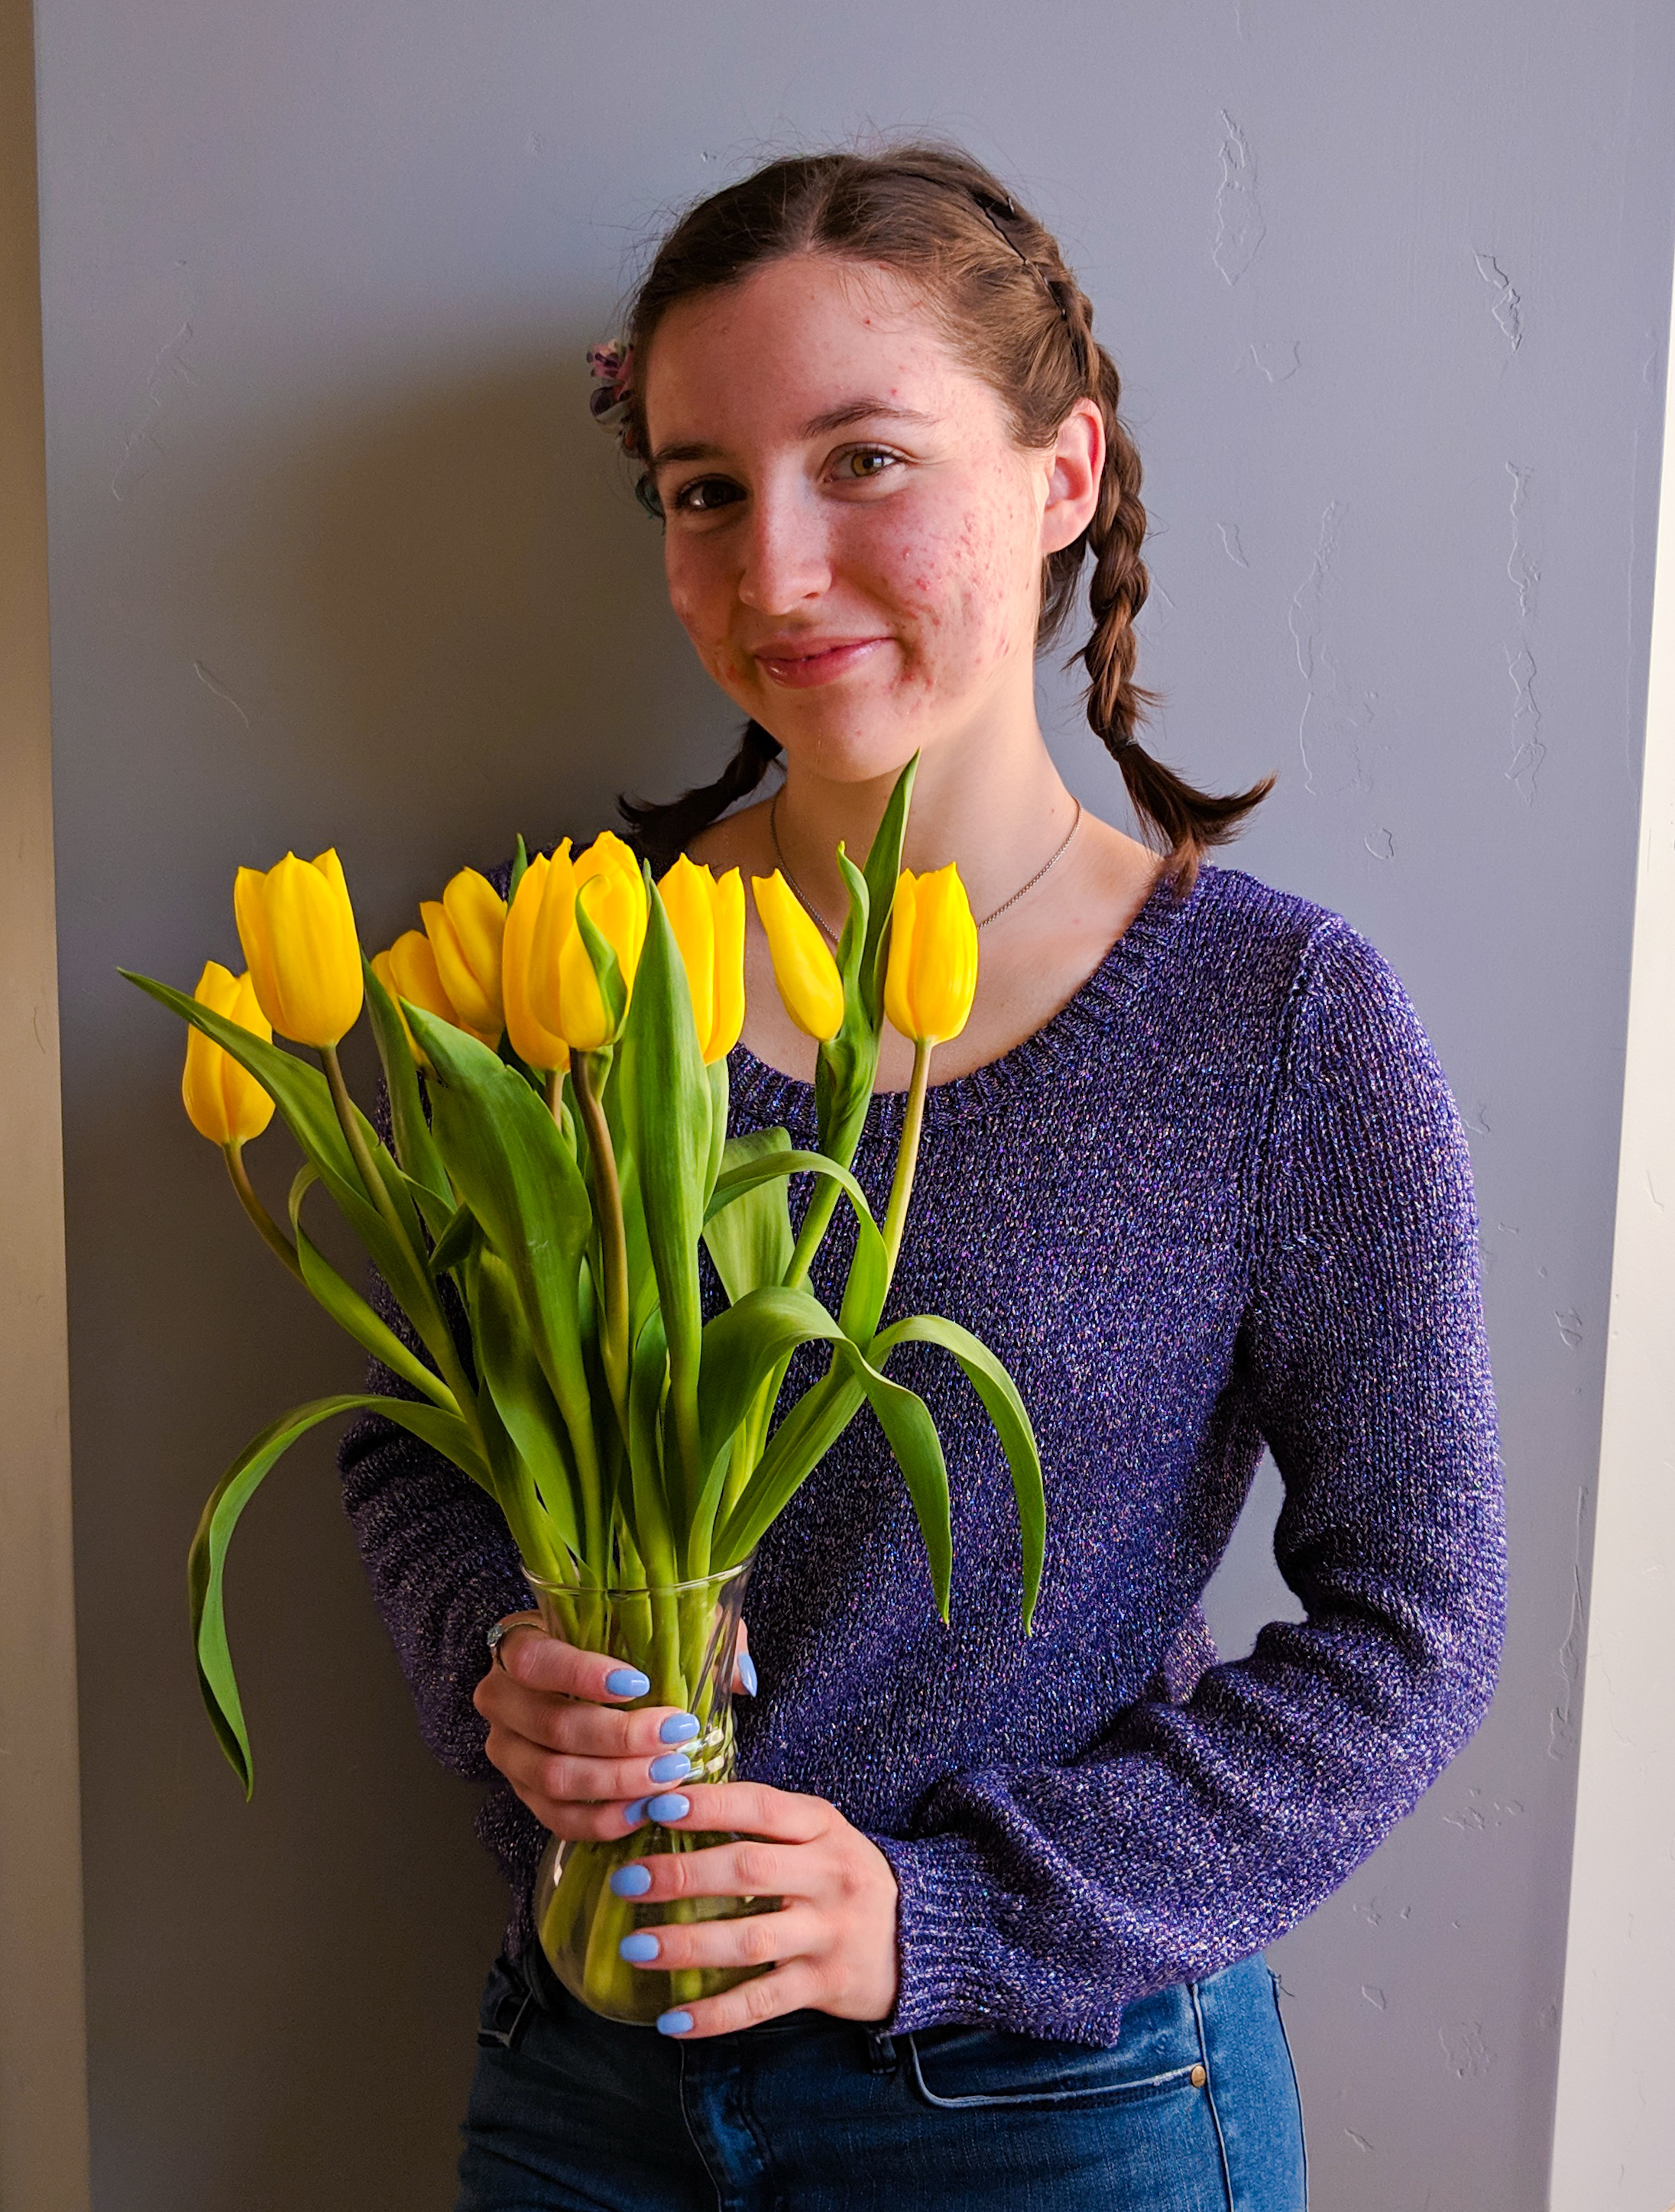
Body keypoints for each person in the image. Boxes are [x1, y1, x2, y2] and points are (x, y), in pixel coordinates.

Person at [339, 144, 1505, 2212]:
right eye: (703, 488)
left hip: (1053, 2098)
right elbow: (417, 1452)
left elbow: (1418, 1626)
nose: (774, 569)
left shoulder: (1276, 1024)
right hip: (585, 2072)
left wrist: (949, 1917)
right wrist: (498, 1670)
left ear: (1063, 478)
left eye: (864, 461)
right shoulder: (558, 974)